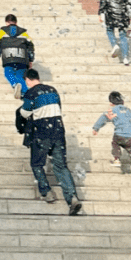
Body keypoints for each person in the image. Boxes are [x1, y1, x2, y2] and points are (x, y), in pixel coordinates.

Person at [17, 67, 82, 213]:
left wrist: (22, 104)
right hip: (58, 131)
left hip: (41, 132)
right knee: (61, 166)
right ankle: (72, 198)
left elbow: (25, 113)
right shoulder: (53, 90)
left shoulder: (31, 93)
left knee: (37, 163)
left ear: (27, 80)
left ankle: (47, 192)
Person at [91, 91, 131, 200]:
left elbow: (102, 118)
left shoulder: (111, 111)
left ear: (111, 103)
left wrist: (95, 128)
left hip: (120, 136)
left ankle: (116, 158)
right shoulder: (127, 110)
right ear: (123, 101)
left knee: (115, 142)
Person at [0, 14, 35, 98]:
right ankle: (26, 93)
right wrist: (31, 59)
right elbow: (30, 46)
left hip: (8, 56)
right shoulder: (23, 32)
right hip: (22, 57)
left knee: (8, 73)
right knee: (20, 75)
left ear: (6, 22)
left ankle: (15, 84)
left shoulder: (2, 32)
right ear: (16, 22)